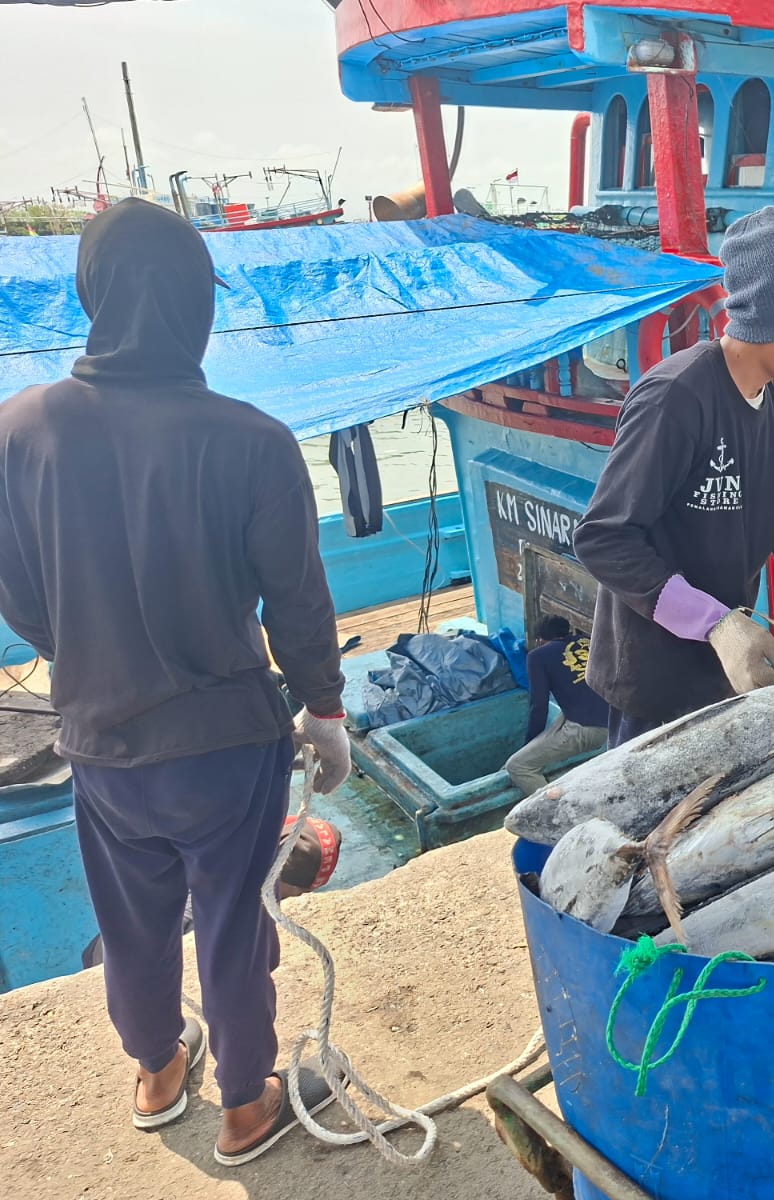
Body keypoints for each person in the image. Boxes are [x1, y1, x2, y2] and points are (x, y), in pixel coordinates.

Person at [0, 199, 348, 1163]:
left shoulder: (17, 431)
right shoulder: (253, 440)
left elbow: (19, 595)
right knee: (233, 926)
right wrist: (325, 710)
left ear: (91, 295)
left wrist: (89, 651)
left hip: (98, 738)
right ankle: (246, 1105)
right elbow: (298, 601)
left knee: (131, 923)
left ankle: (157, 1071)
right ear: (199, 304)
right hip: (227, 745)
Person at [575, 205, 774, 744]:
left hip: (727, 675)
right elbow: (604, 538)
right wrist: (718, 624)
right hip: (653, 683)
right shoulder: (676, 397)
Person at [83, 816, 344, 969]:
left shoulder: (216, 852)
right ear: (301, 891)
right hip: (115, 971)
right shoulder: (237, 914)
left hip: (100, 946)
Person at [503, 615, 608, 793]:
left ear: (540, 640)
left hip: (589, 730)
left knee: (517, 766)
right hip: (618, 720)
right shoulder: (587, 641)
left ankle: (557, 807)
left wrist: (528, 744)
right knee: (563, 715)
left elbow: (539, 706)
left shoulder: (537, 656)